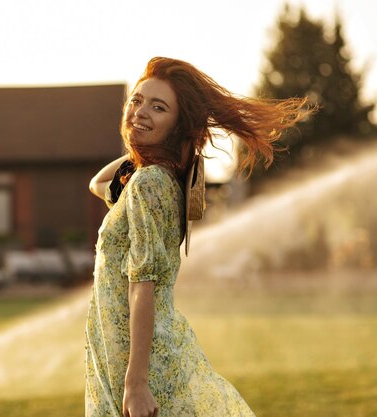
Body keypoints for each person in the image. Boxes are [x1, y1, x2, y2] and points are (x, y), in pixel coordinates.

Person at [85, 57, 313, 417]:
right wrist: (135, 152)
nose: (140, 111)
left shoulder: (149, 185)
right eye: (137, 100)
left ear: (178, 126)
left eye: (158, 108)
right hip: (128, 353)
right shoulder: (149, 181)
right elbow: (98, 184)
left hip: (140, 363)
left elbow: (142, 283)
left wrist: (136, 383)